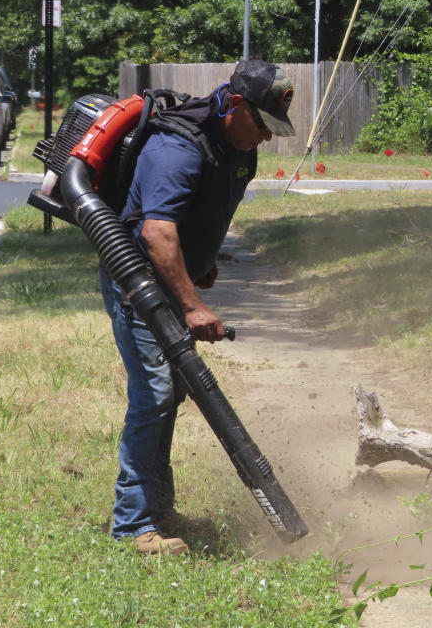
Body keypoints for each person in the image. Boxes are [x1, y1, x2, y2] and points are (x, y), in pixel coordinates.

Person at [98, 60, 296, 555]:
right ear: (233, 105)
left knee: (169, 395)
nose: (268, 138)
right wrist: (193, 304)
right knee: (157, 393)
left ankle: (156, 510)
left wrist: (199, 264)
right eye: (263, 125)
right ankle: (133, 525)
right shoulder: (178, 149)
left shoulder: (238, 148)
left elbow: (202, 212)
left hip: (167, 275)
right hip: (137, 280)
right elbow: (156, 231)